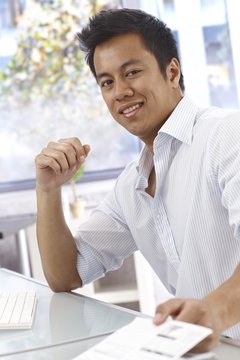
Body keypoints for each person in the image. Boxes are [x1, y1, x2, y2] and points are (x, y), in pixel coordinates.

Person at [35, 8, 240, 352]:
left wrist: (213, 311)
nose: (120, 92)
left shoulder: (226, 135)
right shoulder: (132, 185)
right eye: (107, 82)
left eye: (132, 72)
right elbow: (64, 274)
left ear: (172, 72)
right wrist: (48, 189)